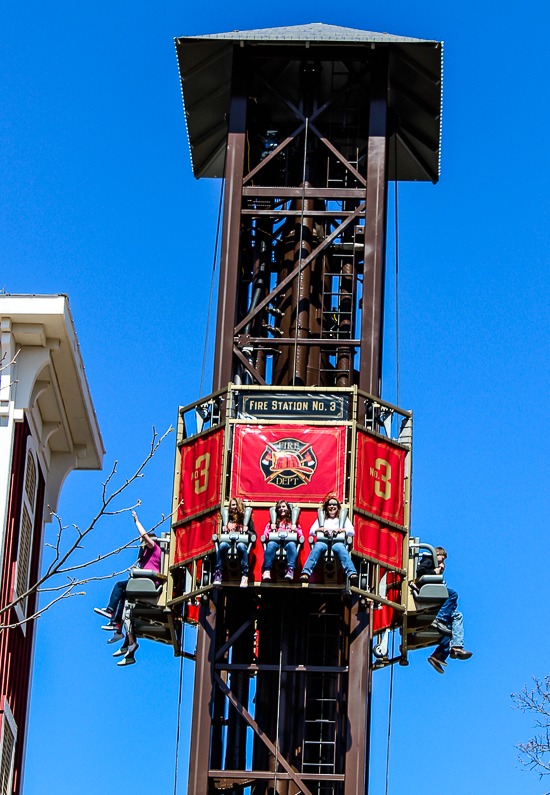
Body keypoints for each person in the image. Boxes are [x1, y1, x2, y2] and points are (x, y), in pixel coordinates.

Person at [94, 510, 161, 663]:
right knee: (126, 604)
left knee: (119, 585)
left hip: (147, 584)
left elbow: (145, 537)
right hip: (140, 583)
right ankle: (120, 630)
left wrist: (137, 522)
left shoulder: (155, 548)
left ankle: (111, 613)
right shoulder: (144, 556)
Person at [415, 546, 473, 674]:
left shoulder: (436, 573)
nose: (442, 565)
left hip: (434, 602)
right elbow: (420, 572)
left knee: (455, 620)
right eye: (442, 561)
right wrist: (435, 572)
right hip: (430, 601)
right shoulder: (429, 559)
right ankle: (440, 620)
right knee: (453, 595)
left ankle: (441, 655)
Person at [300, 494, 358, 583]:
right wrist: (322, 529)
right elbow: (311, 531)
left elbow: (352, 532)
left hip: (337, 542)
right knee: (317, 547)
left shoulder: (343, 519)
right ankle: (306, 573)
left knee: (342, 549)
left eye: (334, 505)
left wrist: (341, 529)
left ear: (338, 507)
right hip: (324, 541)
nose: (332, 507)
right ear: (326, 507)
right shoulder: (322, 519)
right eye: (329, 505)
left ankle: (352, 573)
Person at [213, 498, 254, 588]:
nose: (234, 507)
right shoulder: (227, 519)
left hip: (240, 542)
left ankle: (244, 575)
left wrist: (247, 531)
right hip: (229, 543)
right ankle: (218, 573)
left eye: (236, 505)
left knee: (241, 547)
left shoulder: (245, 519)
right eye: (232, 505)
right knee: (222, 546)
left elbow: (254, 534)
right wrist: (223, 529)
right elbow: (223, 537)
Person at [261, 500, 304, 582]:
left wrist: (295, 530)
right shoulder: (272, 523)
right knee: (270, 545)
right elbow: (265, 536)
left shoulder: (293, 523)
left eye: (283, 507)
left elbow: (301, 536)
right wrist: (271, 528)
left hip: (288, 543)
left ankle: (290, 569)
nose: (281, 509)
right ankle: (266, 570)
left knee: (292, 545)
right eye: (279, 507)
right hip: (276, 543)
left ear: (288, 509)